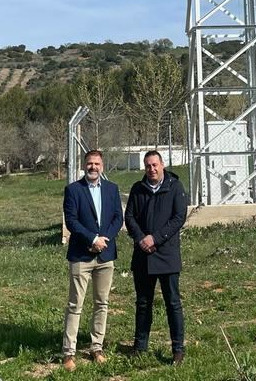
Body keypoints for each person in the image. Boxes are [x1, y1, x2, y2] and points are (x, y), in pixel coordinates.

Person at [61, 150, 123, 372]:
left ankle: (97, 347)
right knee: (75, 305)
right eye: (89, 163)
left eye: (97, 163)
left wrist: (104, 240)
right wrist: (92, 238)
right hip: (81, 256)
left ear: (102, 166)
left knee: (102, 303)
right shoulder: (73, 190)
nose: (93, 167)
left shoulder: (112, 189)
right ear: (84, 166)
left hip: (105, 256)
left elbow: (118, 218)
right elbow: (72, 221)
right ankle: (69, 352)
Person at [124, 150, 188, 365]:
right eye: (148, 166)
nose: (151, 169)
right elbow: (129, 217)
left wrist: (156, 238)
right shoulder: (138, 189)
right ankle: (140, 346)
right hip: (142, 255)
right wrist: (142, 238)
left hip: (167, 255)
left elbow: (179, 217)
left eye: (155, 165)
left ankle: (178, 349)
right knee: (143, 303)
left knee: (173, 303)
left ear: (162, 165)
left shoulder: (175, 187)